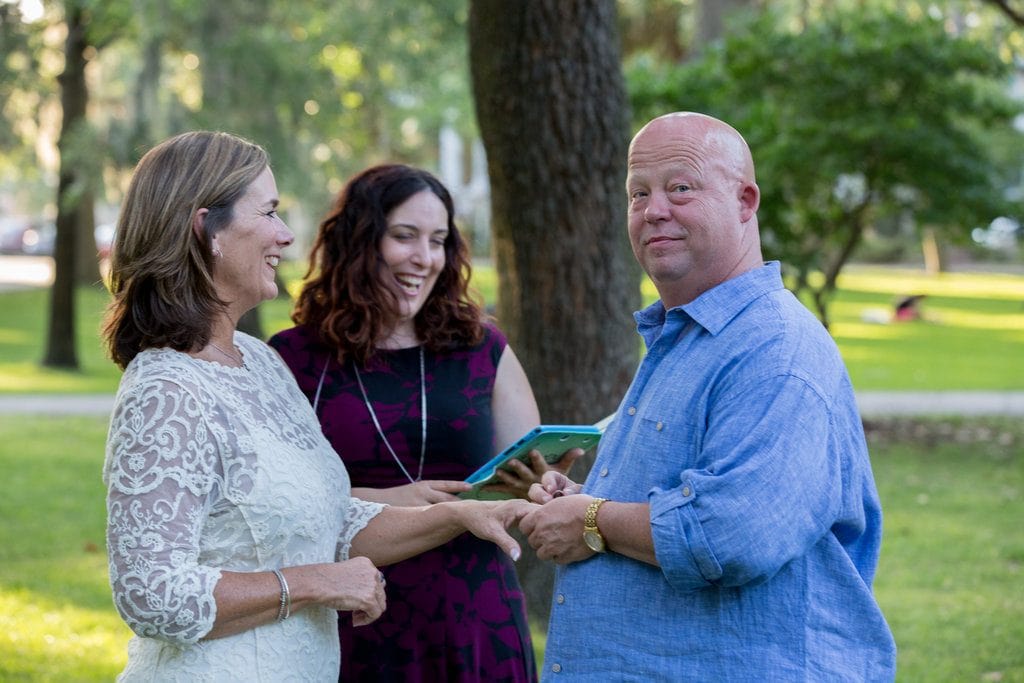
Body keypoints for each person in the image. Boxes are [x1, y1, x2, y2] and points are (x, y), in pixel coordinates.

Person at [101, 131, 535, 682]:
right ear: (205, 228)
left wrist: (454, 515)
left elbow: (329, 519)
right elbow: (151, 594)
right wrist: (316, 582)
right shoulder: (165, 390)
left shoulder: (258, 363)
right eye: (269, 213)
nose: (285, 235)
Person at [518, 112, 897, 680]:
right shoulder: (688, 339)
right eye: (638, 193)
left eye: (680, 188)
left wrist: (592, 519)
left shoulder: (776, 350)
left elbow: (733, 534)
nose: (654, 210)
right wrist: (582, 499)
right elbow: (680, 497)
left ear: (745, 201)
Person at [269, 163, 576, 682]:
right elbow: (271, 511)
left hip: (475, 618)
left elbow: (526, 481)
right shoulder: (293, 359)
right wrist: (385, 499)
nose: (424, 259)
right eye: (404, 237)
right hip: (353, 618)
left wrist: (542, 485)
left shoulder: (483, 348)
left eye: (438, 241)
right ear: (360, 241)